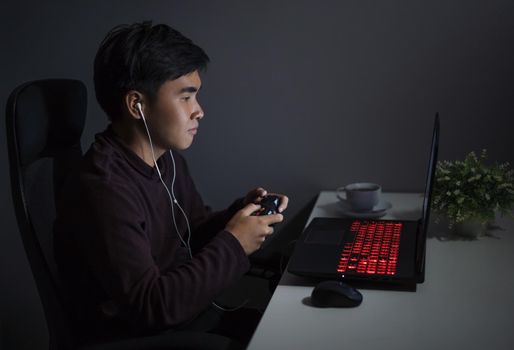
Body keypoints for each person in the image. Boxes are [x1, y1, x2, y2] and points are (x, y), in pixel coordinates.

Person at [54, 21, 288, 349]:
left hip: (191, 319)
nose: (199, 112)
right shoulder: (103, 188)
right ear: (137, 104)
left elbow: (189, 234)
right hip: (146, 337)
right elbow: (152, 306)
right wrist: (236, 243)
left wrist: (239, 217)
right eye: (186, 97)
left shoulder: (166, 160)